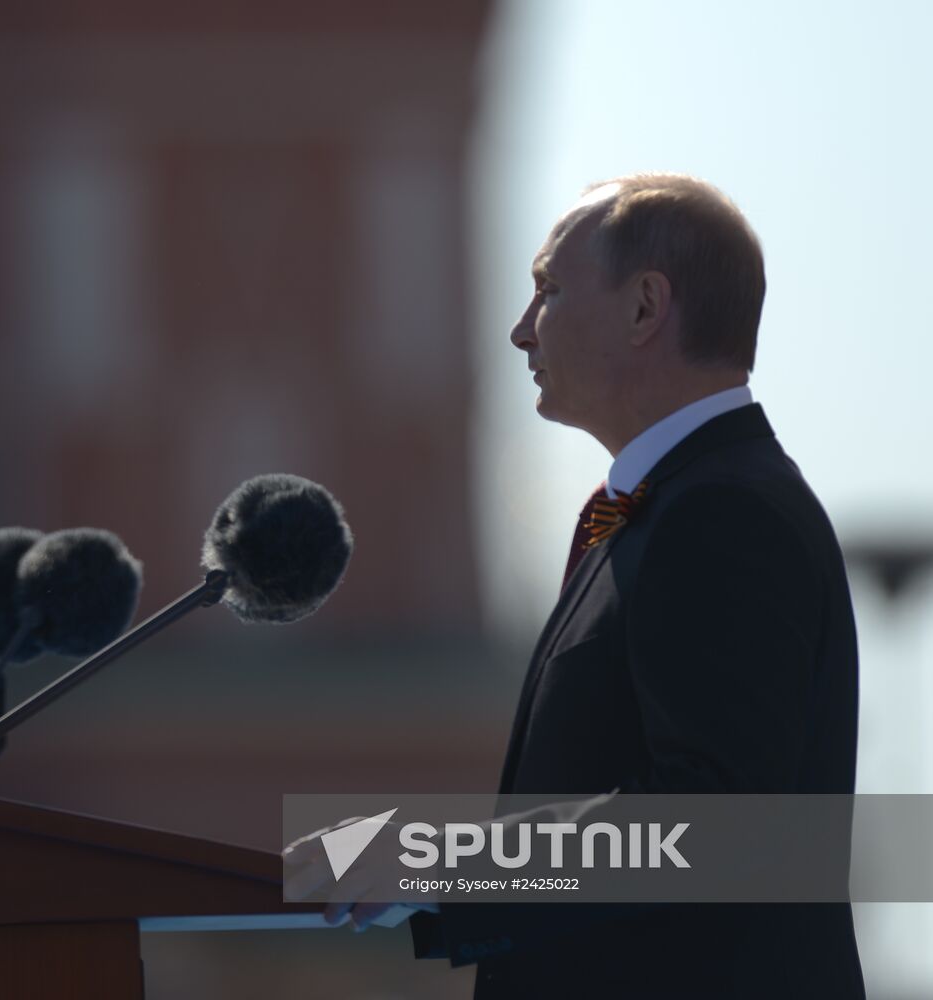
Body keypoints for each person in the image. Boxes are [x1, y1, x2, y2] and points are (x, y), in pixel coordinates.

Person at [289, 174, 866, 998]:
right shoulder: (661, 509)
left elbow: (717, 827)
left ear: (643, 308)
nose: (520, 330)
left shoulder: (724, 513)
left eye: (548, 290)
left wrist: (437, 860)